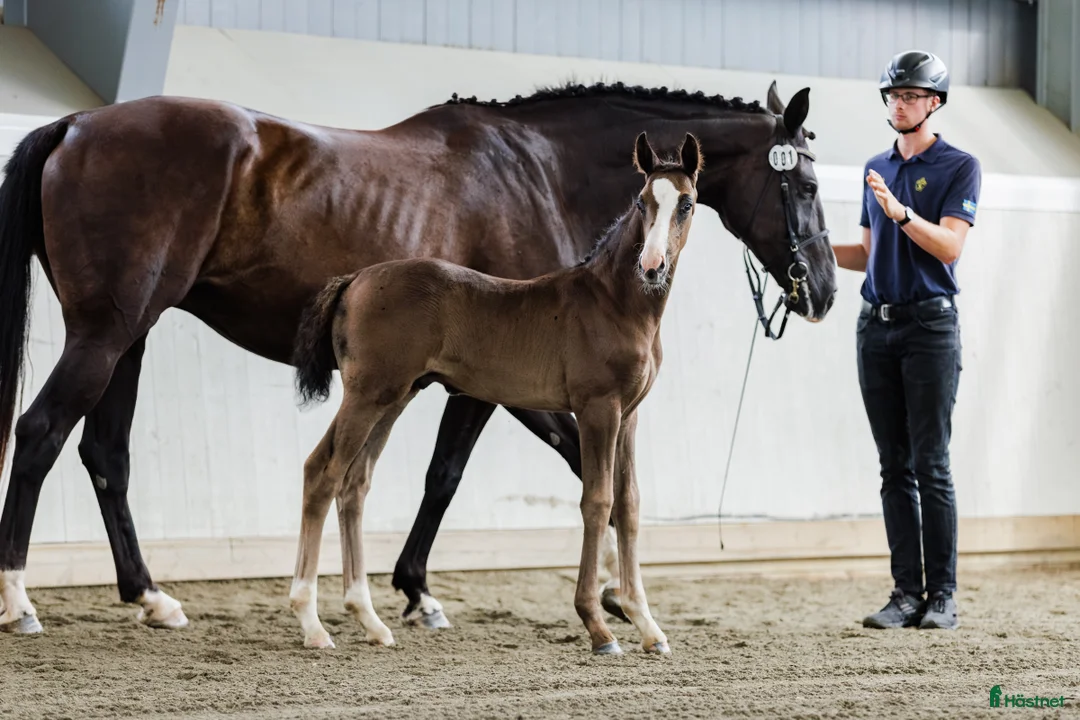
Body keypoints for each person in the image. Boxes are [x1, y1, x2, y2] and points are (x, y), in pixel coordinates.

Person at [832, 50, 981, 631]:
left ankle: (941, 595)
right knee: (893, 467)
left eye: (912, 96)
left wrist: (898, 212)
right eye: (894, 96)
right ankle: (904, 594)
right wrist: (808, 249)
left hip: (930, 329)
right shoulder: (875, 165)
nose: (900, 103)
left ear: (934, 103)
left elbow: (949, 247)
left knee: (931, 464)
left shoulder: (958, 166)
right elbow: (865, 256)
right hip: (877, 326)